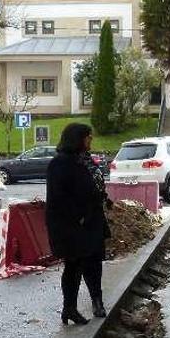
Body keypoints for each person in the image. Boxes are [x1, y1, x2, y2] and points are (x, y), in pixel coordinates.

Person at [45, 123, 111, 326]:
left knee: (92, 263)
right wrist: (78, 217)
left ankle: (94, 302)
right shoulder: (61, 163)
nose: (91, 141)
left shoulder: (85, 161)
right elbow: (59, 197)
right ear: (77, 139)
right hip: (72, 226)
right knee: (73, 266)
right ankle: (69, 308)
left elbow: (93, 187)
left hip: (91, 222)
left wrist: (103, 199)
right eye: (88, 137)